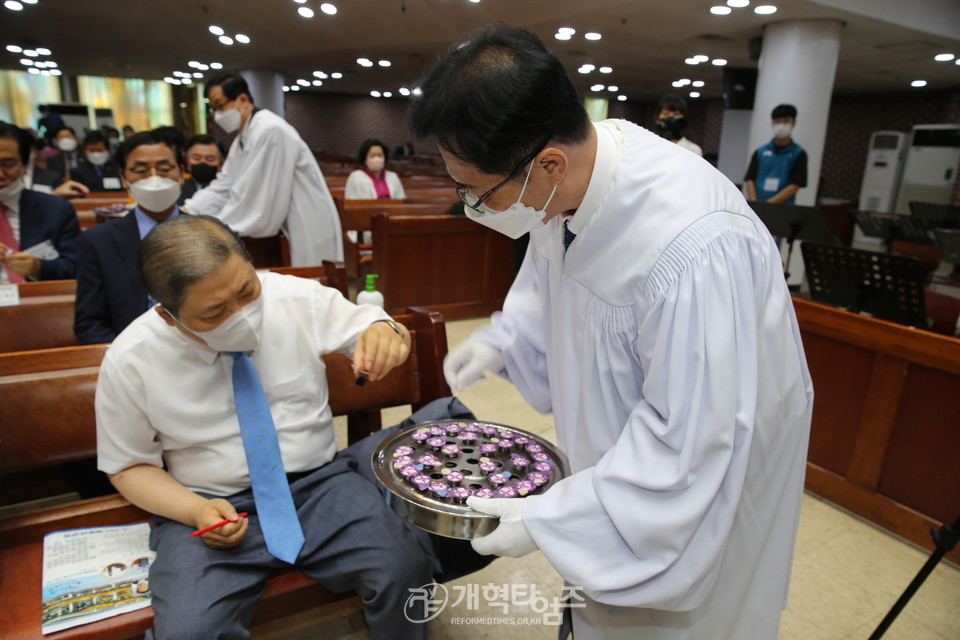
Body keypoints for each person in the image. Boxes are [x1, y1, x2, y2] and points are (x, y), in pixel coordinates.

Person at [408, 24, 813, 639]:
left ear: (547, 162)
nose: (471, 207)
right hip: (611, 471)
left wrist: (549, 520)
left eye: (475, 191)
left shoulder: (694, 244)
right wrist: (508, 337)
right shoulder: (561, 188)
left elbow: (691, 445)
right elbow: (552, 288)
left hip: (691, 511)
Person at [95, 214, 488, 638]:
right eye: (213, 313)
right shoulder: (131, 360)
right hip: (209, 503)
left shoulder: (295, 298)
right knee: (189, 630)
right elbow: (128, 466)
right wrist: (193, 510)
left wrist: (387, 332)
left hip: (318, 484)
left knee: (403, 566)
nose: (242, 315)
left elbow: (374, 326)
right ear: (169, 316)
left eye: (247, 291)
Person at [184, 71, 343, 266]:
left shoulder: (270, 130)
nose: (217, 115)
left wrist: (214, 226)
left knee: (311, 285)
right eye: (213, 108)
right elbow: (225, 184)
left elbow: (257, 198)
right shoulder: (243, 137)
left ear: (242, 99)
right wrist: (190, 209)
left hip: (304, 223)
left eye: (220, 106)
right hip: (286, 225)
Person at [74, 129, 184, 345]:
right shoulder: (98, 241)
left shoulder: (211, 231)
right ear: (124, 177)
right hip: (131, 356)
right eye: (141, 170)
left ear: (181, 173)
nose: (154, 178)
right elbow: (89, 323)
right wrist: (127, 357)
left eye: (164, 169)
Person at [0, 121, 80, 282]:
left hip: (38, 300)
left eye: (8, 165)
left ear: (24, 164)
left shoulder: (56, 210)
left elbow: (76, 267)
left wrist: (38, 268)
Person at [744, 104, 808, 204]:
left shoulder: (798, 153)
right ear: (772, 123)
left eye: (786, 121)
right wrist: (754, 203)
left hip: (783, 208)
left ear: (793, 123)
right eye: (778, 122)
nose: (781, 126)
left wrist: (769, 204)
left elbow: (795, 184)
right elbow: (750, 179)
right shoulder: (760, 152)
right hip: (757, 205)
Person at [178, 134, 225, 205]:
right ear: (187, 161)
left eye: (210, 159)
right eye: (196, 158)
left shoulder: (227, 191)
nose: (202, 162)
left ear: (221, 163)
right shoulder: (178, 190)